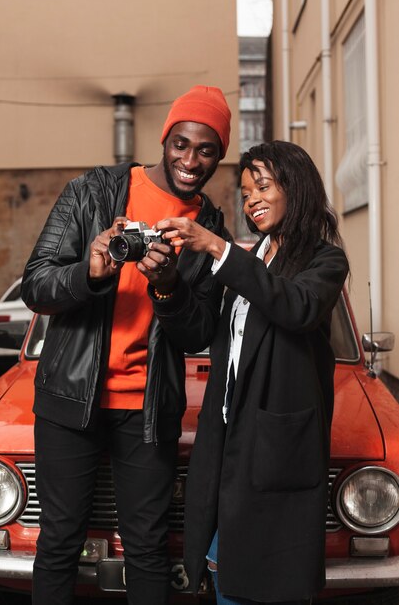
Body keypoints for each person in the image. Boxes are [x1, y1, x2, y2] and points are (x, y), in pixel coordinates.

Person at [21, 85, 232, 605]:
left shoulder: (208, 228)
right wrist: (90, 273)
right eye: (181, 143)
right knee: (60, 542)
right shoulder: (93, 191)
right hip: (70, 400)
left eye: (206, 150)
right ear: (165, 139)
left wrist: (168, 288)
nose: (190, 160)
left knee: (147, 548)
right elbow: (36, 285)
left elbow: (198, 332)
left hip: (148, 408)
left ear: (219, 155)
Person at [156, 141, 350, 604]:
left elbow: (295, 307)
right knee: (224, 573)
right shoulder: (255, 254)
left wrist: (219, 249)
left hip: (276, 447)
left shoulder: (325, 261)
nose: (251, 200)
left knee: (267, 583)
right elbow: (210, 333)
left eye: (262, 186)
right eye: (245, 193)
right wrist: (167, 285)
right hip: (227, 438)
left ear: (297, 188)